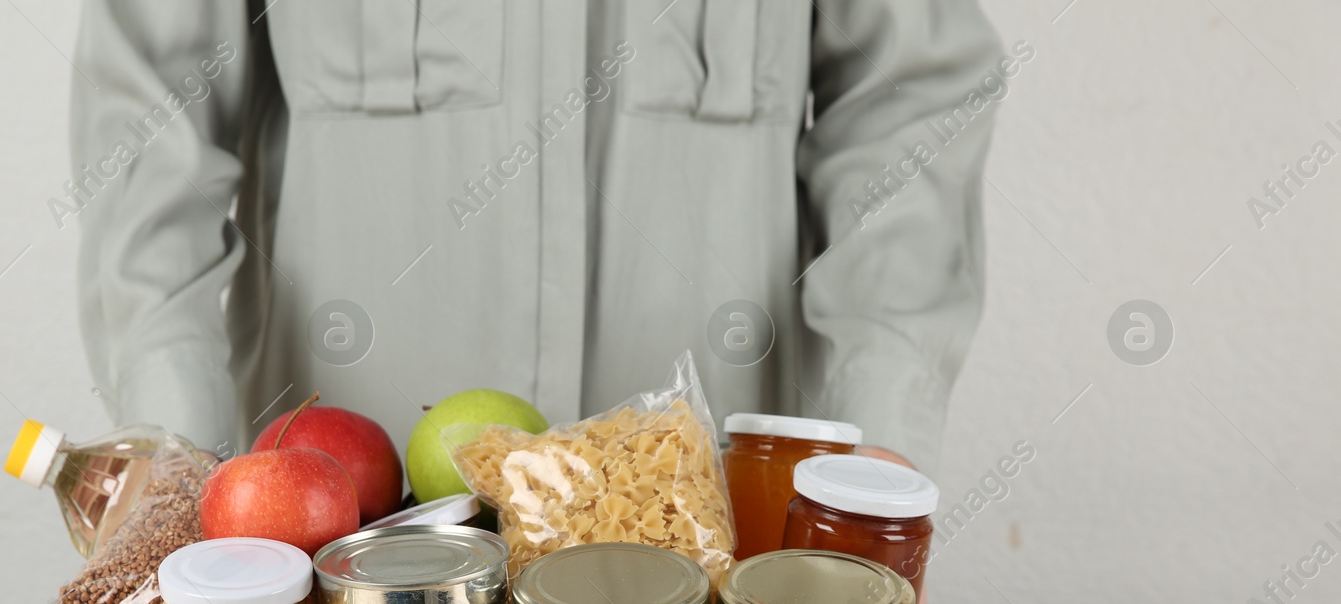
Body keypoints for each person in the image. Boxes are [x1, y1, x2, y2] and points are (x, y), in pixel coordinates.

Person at [68, 1, 1002, 473]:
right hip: (330, 582)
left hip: (723, 587)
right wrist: (173, 451)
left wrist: (876, 456)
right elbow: (150, 102)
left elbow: (910, 94)